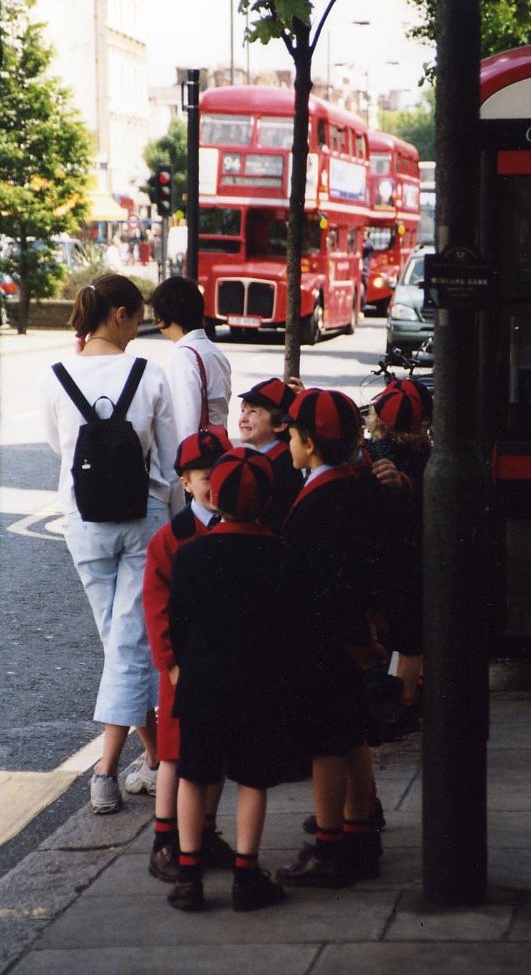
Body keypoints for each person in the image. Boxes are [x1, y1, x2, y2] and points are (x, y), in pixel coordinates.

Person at [40, 274, 185, 814]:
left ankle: (149, 759)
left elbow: (60, 445)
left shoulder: (56, 374)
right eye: (137, 315)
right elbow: (169, 459)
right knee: (129, 644)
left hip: (82, 519)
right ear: (120, 315)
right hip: (143, 517)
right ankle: (105, 774)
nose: (141, 325)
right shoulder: (148, 373)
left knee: (121, 642)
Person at [166, 447, 296, 912]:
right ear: (267, 499)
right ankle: (246, 874)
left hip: (202, 681)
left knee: (193, 775)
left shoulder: (192, 555)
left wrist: (182, 666)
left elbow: (177, 623)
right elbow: (287, 626)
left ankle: (187, 876)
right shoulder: (281, 553)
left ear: (214, 497)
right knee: (252, 779)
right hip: (259, 683)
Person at [276, 388, 381, 889]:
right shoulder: (353, 484)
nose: (289, 442)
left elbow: (320, 586)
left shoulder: (320, 504)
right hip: (349, 640)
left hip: (323, 644)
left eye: (293, 434)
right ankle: (360, 834)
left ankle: (330, 846)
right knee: (353, 736)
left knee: (325, 745)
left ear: (310, 444)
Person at [142, 430, 235, 884]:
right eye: (203, 476)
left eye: (220, 474)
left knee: (215, 752)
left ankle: (204, 832)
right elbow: (155, 605)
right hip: (180, 666)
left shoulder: (234, 527)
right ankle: (164, 839)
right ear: (184, 481)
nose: (212, 485)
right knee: (175, 755)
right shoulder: (171, 536)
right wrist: (169, 663)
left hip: (219, 663)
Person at [365, 378, 432, 735]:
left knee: (388, 635)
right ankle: (407, 701)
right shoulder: (428, 458)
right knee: (410, 639)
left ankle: (393, 704)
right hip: (414, 563)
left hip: (380, 561)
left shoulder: (371, 453)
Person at [150, 276, 232, 443]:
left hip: (194, 459)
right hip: (216, 448)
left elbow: (184, 423)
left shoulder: (183, 356)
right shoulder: (214, 351)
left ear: (162, 316)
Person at [236, 378, 304, 531]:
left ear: (279, 425)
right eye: (243, 410)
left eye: (253, 411)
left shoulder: (280, 466)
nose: (243, 419)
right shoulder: (273, 458)